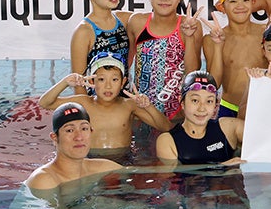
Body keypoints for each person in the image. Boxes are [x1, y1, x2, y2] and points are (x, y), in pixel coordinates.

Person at [38, 52, 172, 151]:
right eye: (101, 79)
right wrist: (65, 82)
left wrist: (148, 106)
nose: (108, 86)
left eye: (114, 80)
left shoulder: (129, 106)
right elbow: (45, 103)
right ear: (92, 81)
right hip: (90, 160)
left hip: (122, 160)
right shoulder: (84, 103)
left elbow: (166, 128)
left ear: (123, 82)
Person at [126, 0, 203, 120]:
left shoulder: (190, 25)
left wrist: (189, 37)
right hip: (142, 112)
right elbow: (127, 64)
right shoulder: (137, 22)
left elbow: (192, 72)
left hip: (177, 114)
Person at [203, 0, 267, 118]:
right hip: (228, 108)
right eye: (233, 1)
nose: (240, 6)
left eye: (245, 0)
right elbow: (214, 84)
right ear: (222, 7)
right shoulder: (210, 40)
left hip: (263, 105)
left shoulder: (266, 33)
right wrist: (218, 46)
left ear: (253, 3)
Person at [24, 103, 122, 191]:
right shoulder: (43, 180)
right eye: (69, 130)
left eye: (84, 128)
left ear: (91, 132)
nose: (79, 137)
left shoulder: (105, 168)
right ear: (54, 138)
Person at [156, 71, 245, 166]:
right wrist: (221, 167)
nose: (202, 108)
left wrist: (257, 82)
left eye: (209, 101)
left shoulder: (229, 128)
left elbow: (257, 139)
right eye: (195, 100)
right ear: (182, 102)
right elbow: (172, 173)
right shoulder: (167, 141)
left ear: (215, 104)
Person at [71, 0, 133, 95]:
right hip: (97, 102)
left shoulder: (124, 20)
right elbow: (79, 85)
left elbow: (156, 21)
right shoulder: (84, 32)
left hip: (125, 101)